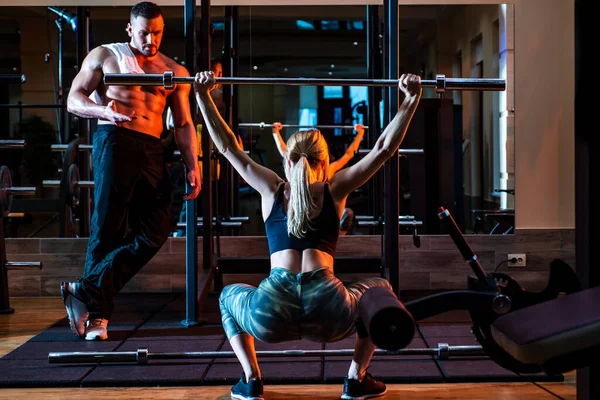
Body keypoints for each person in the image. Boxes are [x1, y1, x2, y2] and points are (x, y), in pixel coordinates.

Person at [194, 71, 422, 400]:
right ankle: (356, 379)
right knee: (378, 291)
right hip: (330, 310)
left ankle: (251, 380)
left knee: (229, 296)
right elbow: (384, 149)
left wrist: (203, 96)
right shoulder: (335, 188)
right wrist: (410, 100)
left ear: (287, 158)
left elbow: (228, 147)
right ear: (325, 161)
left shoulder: (270, 187)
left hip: (269, 312)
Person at [61, 1, 201, 341]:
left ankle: (86, 289)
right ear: (129, 30)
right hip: (114, 138)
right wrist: (102, 112)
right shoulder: (105, 56)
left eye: (156, 33)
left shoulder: (174, 70)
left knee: (158, 225)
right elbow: (73, 98)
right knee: (107, 226)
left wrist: (193, 164)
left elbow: (183, 124)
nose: (150, 40)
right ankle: (98, 318)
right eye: (143, 33)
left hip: (151, 147)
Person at [272, 122, 365, 235]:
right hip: (309, 218)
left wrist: (275, 132)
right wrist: (360, 134)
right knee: (344, 212)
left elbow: (285, 153)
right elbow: (349, 154)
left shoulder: (293, 168)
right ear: (323, 159)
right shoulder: (327, 170)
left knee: (346, 213)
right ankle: (337, 235)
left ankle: (337, 235)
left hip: (311, 220)